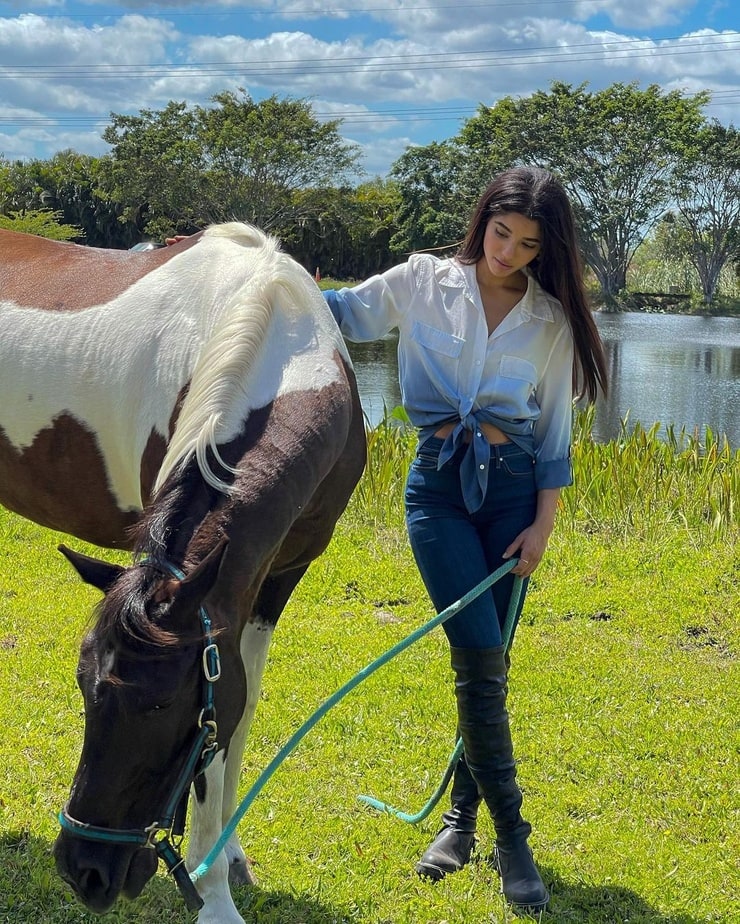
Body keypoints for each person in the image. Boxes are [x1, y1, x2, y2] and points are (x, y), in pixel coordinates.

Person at [323, 166, 607, 912]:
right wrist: (244, 271)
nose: (507, 252)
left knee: (487, 663)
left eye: (526, 244)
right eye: (500, 232)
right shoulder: (420, 282)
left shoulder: (549, 321)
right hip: (439, 491)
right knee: (478, 654)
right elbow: (340, 315)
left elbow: (553, 433)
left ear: (547, 250)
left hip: (513, 496)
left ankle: (460, 823)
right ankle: (513, 838)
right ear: (483, 219)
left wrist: (543, 525)